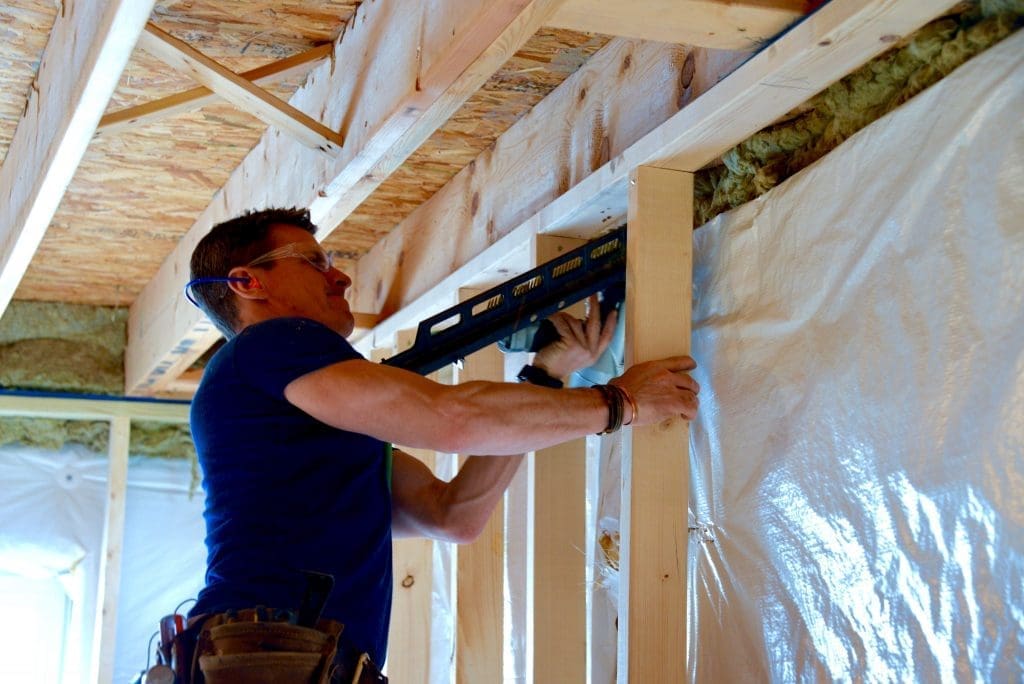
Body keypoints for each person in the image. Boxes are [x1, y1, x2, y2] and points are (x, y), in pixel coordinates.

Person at [184, 207, 699, 679]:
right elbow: (451, 419)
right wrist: (621, 403)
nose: (339, 277)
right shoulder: (272, 343)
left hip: (289, 661)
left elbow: (451, 514)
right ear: (247, 282)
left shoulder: (306, 433)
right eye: (314, 263)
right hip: (269, 660)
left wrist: (543, 377)